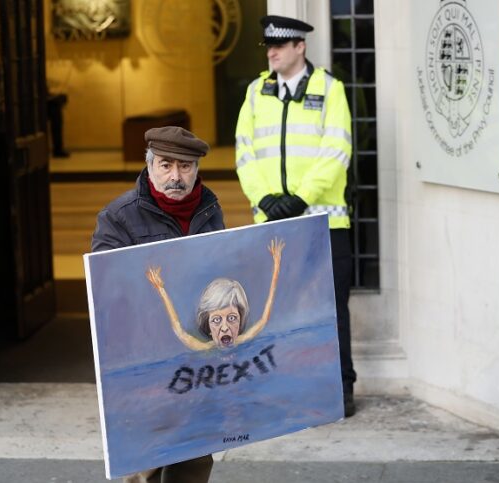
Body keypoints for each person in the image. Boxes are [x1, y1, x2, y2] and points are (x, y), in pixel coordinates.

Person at [234, 15, 357, 417]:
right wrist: (265, 199)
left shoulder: (329, 89)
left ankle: (340, 389)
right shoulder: (256, 92)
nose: (271, 52)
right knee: (278, 312)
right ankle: (286, 389)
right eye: (268, 46)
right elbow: (245, 153)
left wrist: (301, 198)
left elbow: (336, 150)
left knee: (330, 309)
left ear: (300, 47)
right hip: (273, 225)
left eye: (280, 45)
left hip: (324, 222)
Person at [92, 126, 221, 482]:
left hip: (197, 356)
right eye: (166, 165)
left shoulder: (210, 208)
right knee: (144, 463)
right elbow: (107, 287)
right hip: (145, 357)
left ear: (197, 169)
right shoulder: (118, 216)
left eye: (185, 166)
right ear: (150, 166)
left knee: (195, 455)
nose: (175, 176)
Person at [145, 238, 284, 350]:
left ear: (240, 322)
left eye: (232, 318)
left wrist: (276, 267)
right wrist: (161, 290)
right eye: (217, 320)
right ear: (209, 328)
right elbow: (179, 331)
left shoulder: (242, 340)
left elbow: (264, 319)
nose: (224, 328)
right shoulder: (206, 348)